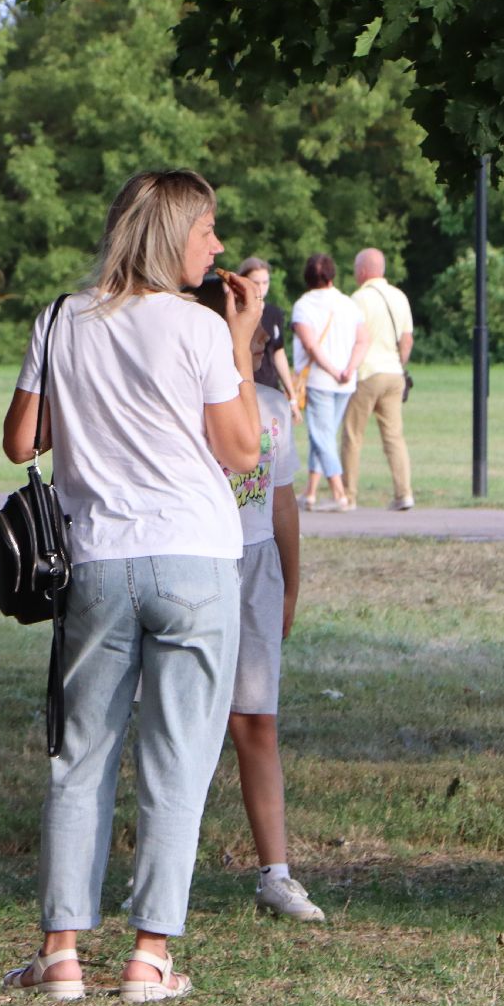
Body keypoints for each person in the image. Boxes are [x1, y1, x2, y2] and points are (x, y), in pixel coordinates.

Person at [0, 169, 261, 1004]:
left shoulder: (59, 318)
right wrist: (243, 346)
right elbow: (243, 450)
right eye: (207, 229)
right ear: (171, 234)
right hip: (195, 555)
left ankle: (62, 954)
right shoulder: (198, 328)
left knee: (80, 760)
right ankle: (149, 959)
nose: (217, 245)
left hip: (99, 559)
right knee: (177, 761)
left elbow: (18, 441)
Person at [222, 312, 324, 922]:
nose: (263, 341)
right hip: (196, 565)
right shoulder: (184, 400)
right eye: (251, 328)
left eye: (262, 333)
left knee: (256, 719)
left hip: (255, 567)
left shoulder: (272, 408)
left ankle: (276, 875)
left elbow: (281, 500)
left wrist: (288, 586)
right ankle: (155, 880)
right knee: (181, 729)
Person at [289, 253, 368, 512]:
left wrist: (333, 370)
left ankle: (339, 494)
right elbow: (362, 340)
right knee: (323, 436)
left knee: (322, 436)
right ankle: (310, 492)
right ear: (333, 274)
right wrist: (348, 369)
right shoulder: (348, 304)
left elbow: (310, 346)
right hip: (346, 382)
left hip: (319, 381)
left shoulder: (303, 306)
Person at [343, 248, 416, 511]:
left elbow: (352, 338)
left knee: (353, 435)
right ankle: (404, 493)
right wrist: (399, 363)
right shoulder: (399, 296)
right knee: (394, 436)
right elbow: (407, 340)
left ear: (362, 271)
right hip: (394, 373)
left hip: (366, 373)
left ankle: (349, 495)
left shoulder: (358, 299)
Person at [236, 256, 299, 413]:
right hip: (243, 388)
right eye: (256, 282)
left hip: (270, 388)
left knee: (269, 436)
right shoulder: (234, 312)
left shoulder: (274, 313)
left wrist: (292, 396)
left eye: (265, 282)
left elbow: (278, 352)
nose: (261, 287)